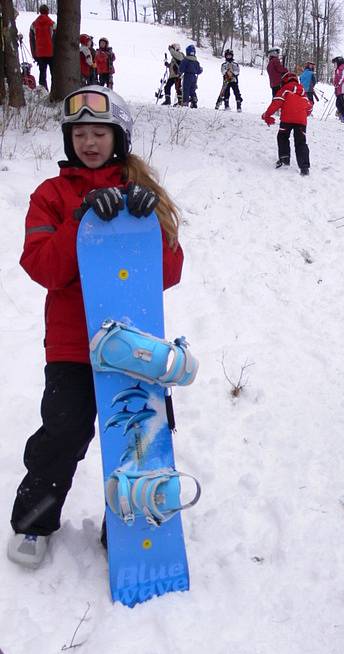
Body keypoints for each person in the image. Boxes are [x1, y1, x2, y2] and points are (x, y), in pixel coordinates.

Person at [7, 85, 184, 568]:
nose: (89, 142)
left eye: (99, 132)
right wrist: (81, 220)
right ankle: (34, 520)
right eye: (79, 133)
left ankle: (128, 526)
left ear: (117, 137)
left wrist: (148, 226)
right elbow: (42, 266)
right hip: (72, 344)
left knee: (141, 433)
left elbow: (170, 273)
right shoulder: (51, 196)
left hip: (135, 343)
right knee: (63, 434)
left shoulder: (141, 193)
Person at [261, 70, 312, 175]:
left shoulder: (285, 89)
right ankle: (304, 168)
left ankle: (284, 159)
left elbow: (276, 103)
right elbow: (309, 108)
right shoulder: (303, 92)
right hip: (301, 121)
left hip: (287, 120)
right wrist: (302, 114)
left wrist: (267, 115)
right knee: (301, 142)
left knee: (283, 136)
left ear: (284, 80)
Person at [29, 4, 55, 90]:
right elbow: (57, 39)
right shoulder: (52, 24)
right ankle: (54, 92)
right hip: (51, 53)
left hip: (40, 53)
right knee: (54, 74)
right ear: (47, 12)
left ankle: (43, 91)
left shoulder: (33, 24)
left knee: (42, 73)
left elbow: (31, 40)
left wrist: (34, 54)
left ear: (40, 11)